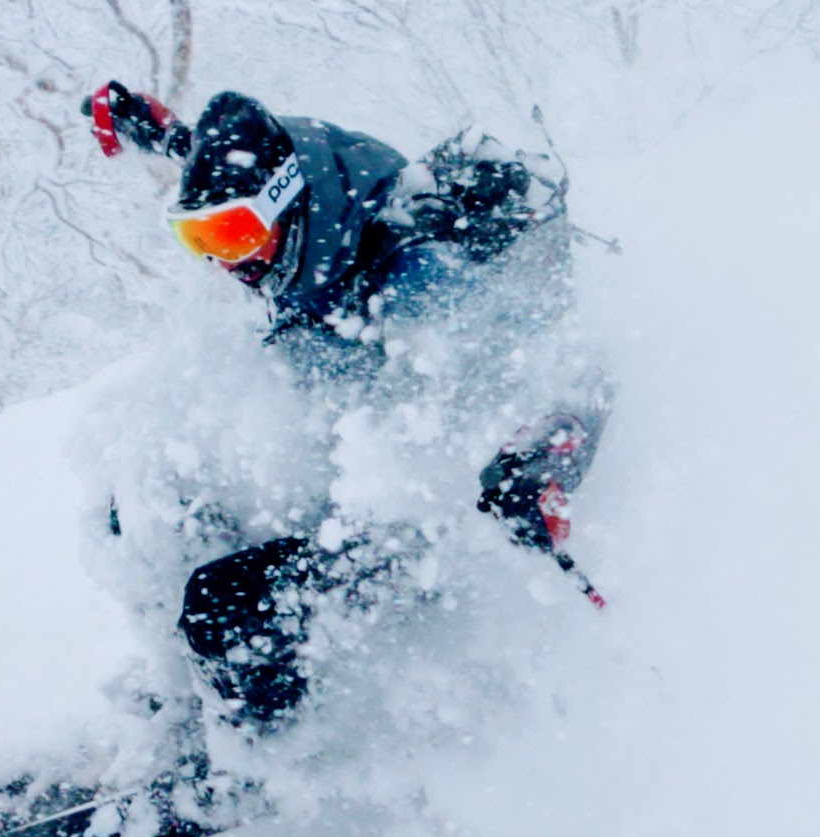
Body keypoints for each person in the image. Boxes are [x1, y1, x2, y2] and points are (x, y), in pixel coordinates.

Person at [80, 80, 600, 737]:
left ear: (283, 204)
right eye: (199, 238)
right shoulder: (293, 202)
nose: (222, 260)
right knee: (169, 510)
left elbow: (578, 366)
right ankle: (227, 694)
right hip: (362, 451)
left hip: (439, 521)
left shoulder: (417, 280)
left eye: (233, 236)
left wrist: (540, 464)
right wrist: (155, 131)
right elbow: (214, 172)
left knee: (227, 607)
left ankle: (273, 758)